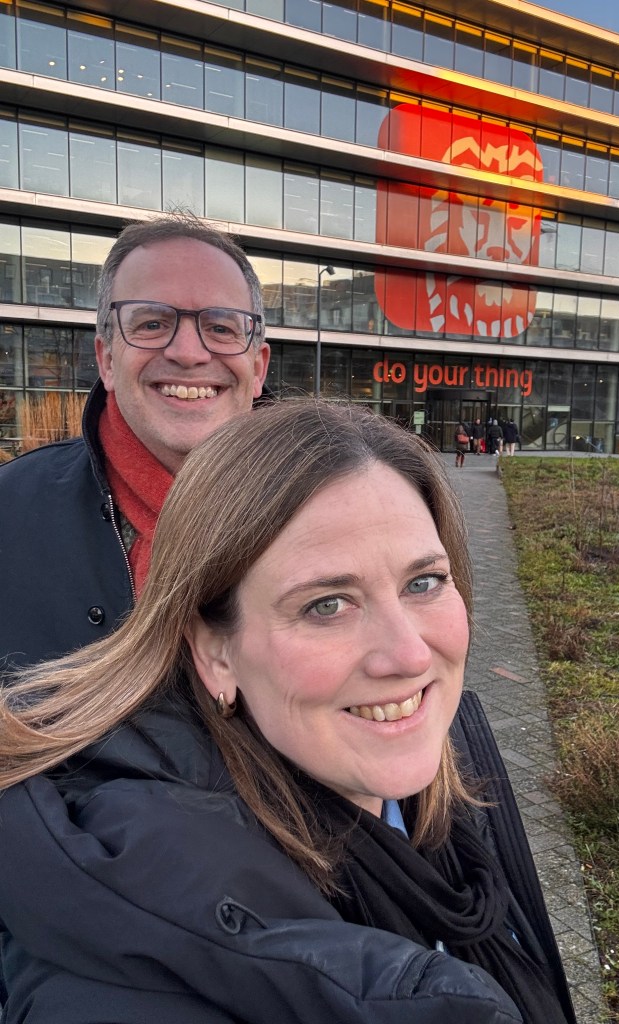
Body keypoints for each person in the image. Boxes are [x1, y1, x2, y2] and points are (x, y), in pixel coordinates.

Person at [0, 400, 575, 1024]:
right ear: (214, 652)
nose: (408, 655)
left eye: (423, 583)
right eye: (327, 605)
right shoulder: (130, 979)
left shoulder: (434, 777)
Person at [0, 214, 271, 671]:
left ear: (259, 367)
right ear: (106, 360)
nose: (189, 353)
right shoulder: (9, 511)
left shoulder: (330, 508)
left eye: (222, 327)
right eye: (151, 324)